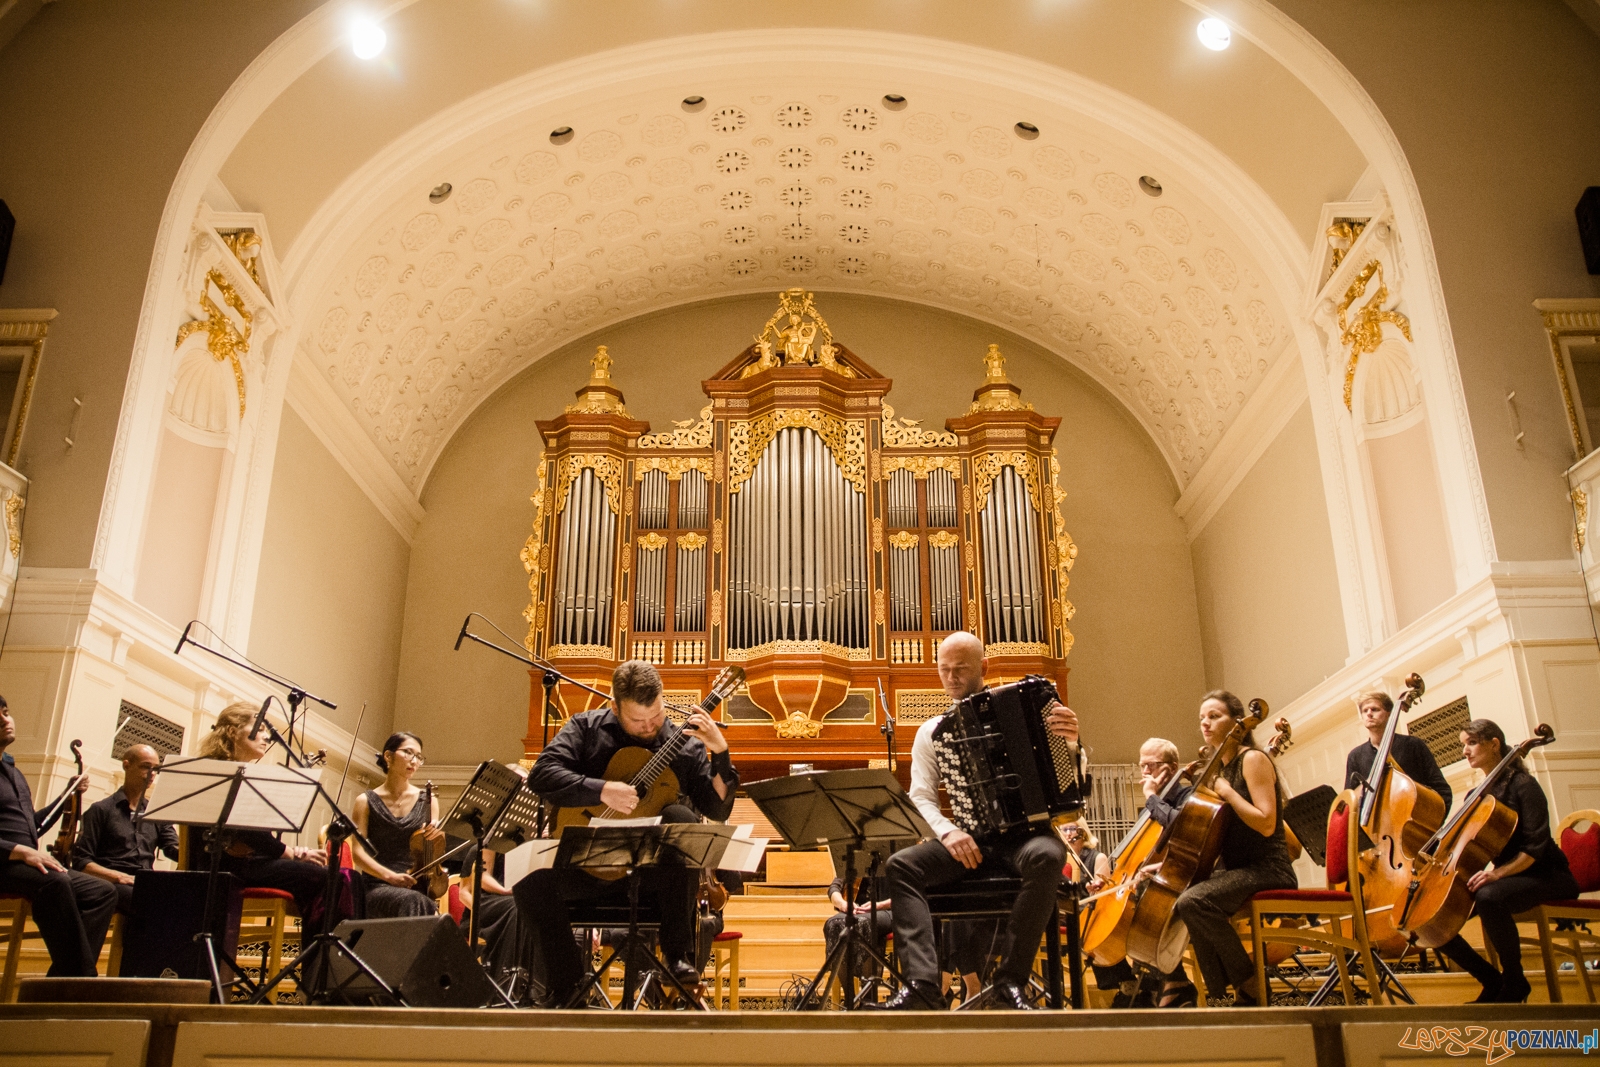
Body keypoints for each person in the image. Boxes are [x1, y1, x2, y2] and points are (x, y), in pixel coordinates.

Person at [513, 660, 738, 1007]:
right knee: (528, 878)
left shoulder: (684, 744)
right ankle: (568, 984)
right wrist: (600, 790)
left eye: (657, 716)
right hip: (583, 871)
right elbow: (542, 774)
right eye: (637, 720)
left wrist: (720, 752)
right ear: (615, 706)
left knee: (680, 816)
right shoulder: (586, 728)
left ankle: (677, 959)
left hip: (649, 879)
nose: (649, 727)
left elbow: (718, 808)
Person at [878, 631, 1079, 1010]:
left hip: (1025, 836)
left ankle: (1009, 983)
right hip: (969, 841)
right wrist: (949, 831)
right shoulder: (932, 731)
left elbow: (1071, 782)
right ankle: (923, 986)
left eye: (961, 669)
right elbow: (920, 795)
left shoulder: (1032, 710)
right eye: (944, 670)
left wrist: (1070, 742)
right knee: (901, 865)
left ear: (983, 667)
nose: (951, 678)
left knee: (1049, 857)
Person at [1433, 719, 1579, 1004]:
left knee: (1489, 896)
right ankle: (1491, 979)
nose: (1464, 751)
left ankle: (1514, 982)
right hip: (1511, 877)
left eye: (1471, 743)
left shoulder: (1524, 786)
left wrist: (1497, 875)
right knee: (1433, 916)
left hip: (1548, 875)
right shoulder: (1478, 794)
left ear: (1494, 744)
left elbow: (1535, 848)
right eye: (1463, 744)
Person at [1169, 691, 1298, 1007]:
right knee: (1181, 898)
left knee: (1194, 901)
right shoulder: (1219, 771)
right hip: (1238, 870)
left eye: (1214, 716)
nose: (1205, 723)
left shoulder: (1252, 760)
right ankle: (1219, 995)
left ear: (1237, 721)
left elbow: (1267, 823)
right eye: (1202, 718)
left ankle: (1249, 985)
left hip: (1268, 869)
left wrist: (1228, 793)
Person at [0, 696, 118, 976]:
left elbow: (34, 826)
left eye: (6, 712)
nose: (7, 720)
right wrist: (20, 851)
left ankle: (64, 977)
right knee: (55, 882)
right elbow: (23, 844)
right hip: (4, 862)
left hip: (24, 862)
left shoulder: (14, 774)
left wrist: (68, 795)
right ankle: (82, 977)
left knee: (102, 891)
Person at [190, 702, 334, 919]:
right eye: (260, 729)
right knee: (325, 878)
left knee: (335, 878)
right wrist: (294, 854)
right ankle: (321, 951)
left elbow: (254, 835)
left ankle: (324, 947)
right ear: (232, 732)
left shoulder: (244, 772)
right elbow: (248, 832)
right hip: (222, 865)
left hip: (246, 861)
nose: (267, 737)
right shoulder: (217, 771)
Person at [1089, 738, 1193, 1008]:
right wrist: (1108, 880)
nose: (1144, 771)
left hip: (1179, 880)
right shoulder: (1152, 808)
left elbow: (1179, 830)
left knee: (1142, 904)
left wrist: (1151, 797)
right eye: (1142, 765)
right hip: (1152, 876)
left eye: (1151, 765)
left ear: (1171, 768)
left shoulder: (1187, 796)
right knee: (1099, 911)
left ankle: (1169, 980)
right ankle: (1131, 982)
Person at [71, 744, 180, 914]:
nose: (151, 774)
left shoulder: (157, 812)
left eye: (155, 769)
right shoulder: (100, 810)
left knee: (183, 900)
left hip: (143, 882)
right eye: (145, 766)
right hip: (111, 882)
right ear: (126, 765)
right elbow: (81, 862)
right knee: (151, 902)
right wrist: (119, 876)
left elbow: (173, 849)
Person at [350, 732, 443, 918]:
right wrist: (390, 877)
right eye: (408, 753)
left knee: (420, 901)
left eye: (418, 756)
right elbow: (357, 853)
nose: (414, 761)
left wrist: (436, 836)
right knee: (413, 901)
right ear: (388, 756)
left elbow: (432, 854)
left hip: (416, 885)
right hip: (377, 885)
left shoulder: (428, 800)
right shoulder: (365, 801)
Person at [1345, 690, 1452, 812]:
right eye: (1365, 711)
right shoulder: (1355, 756)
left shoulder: (1412, 745)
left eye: (1375, 709)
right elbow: (1351, 804)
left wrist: (1433, 822)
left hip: (1416, 819)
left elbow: (1442, 789)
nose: (1369, 714)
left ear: (1389, 714)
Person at [823, 866, 892, 984]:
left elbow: (907, 894)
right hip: (858, 911)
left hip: (889, 910)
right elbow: (834, 889)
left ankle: (868, 996)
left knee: (862, 923)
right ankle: (849, 997)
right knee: (835, 924)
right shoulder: (859, 857)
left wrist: (879, 905)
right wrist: (843, 904)